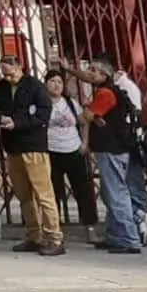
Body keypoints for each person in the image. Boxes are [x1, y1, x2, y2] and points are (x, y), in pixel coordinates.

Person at [0, 53, 62, 255]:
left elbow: (43, 114)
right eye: (5, 74)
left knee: (43, 194)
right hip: (13, 147)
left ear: (20, 67)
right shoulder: (2, 88)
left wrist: (18, 123)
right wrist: (0, 118)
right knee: (24, 195)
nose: (8, 78)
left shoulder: (34, 86)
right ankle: (34, 235)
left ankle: (54, 237)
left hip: (33, 145)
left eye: (11, 74)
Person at [82, 56, 143, 254]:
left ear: (104, 74)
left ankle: (129, 238)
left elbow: (87, 116)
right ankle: (115, 235)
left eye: (93, 70)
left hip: (112, 149)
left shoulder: (106, 93)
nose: (89, 73)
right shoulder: (107, 91)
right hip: (111, 147)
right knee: (111, 193)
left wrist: (87, 114)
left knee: (117, 193)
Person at [42, 68, 98, 237]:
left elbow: (84, 122)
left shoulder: (70, 103)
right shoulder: (42, 103)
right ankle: (54, 227)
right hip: (51, 151)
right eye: (52, 81)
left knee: (83, 190)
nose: (56, 85)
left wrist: (85, 143)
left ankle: (90, 226)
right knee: (53, 191)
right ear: (45, 84)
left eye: (59, 82)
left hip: (73, 150)